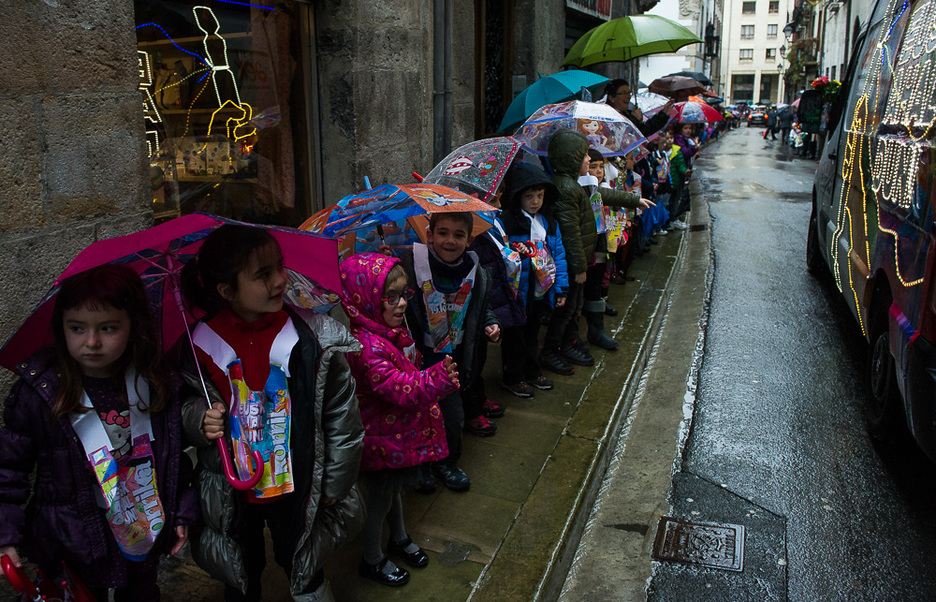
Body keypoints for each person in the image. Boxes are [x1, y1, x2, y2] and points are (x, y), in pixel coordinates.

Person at [178, 225, 364, 602]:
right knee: (241, 568)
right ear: (226, 291)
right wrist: (199, 418)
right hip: (232, 490)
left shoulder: (311, 339)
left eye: (279, 267)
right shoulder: (199, 345)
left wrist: (334, 481)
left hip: (298, 482)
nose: (281, 280)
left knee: (301, 557)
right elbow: (179, 406)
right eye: (263, 275)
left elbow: (342, 413)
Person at [0, 264, 196, 602]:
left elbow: (171, 457)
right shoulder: (42, 392)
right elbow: (7, 470)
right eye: (77, 328)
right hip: (71, 539)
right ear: (62, 328)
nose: (91, 342)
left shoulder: (154, 383)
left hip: (140, 530)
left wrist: (180, 510)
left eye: (107, 328)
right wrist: (5, 536)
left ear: (134, 326)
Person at [338, 252, 457, 587]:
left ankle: (400, 537)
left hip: (395, 436)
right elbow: (399, 387)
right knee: (381, 498)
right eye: (390, 297)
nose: (402, 304)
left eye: (405, 294)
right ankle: (372, 558)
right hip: (380, 439)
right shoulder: (366, 346)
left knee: (395, 491)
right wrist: (437, 379)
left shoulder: (387, 333)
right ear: (365, 300)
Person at [401, 212, 501, 492]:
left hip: (451, 361)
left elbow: (482, 306)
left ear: (469, 240)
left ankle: (447, 461)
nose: (450, 241)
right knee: (418, 416)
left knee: (451, 416)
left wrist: (491, 323)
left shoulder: (476, 271)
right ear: (429, 235)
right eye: (442, 233)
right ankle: (421, 465)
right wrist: (390, 270)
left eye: (458, 235)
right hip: (419, 359)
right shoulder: (409, 265)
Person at [543, 130, 650, 373]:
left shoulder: (575, 184)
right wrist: (580, 268)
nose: (589, 160)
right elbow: (571, 235)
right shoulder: (566, 189)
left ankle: (569, 343)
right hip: (573, 265)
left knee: (574, 308)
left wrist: (635, 201)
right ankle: (551, 350)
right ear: (571, 160)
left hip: (583, 259)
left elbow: (602, 195)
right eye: (583, 156)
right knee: (567, 310)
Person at [499, 164, 568, 394]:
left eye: (540, 195)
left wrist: (561, 289)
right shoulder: (507, 221)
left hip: (540, 289)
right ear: (518, 196)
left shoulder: (548, 221)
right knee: (515, 334)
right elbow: (502, 254)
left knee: (533, 330)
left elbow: (558, 254)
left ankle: (532, 369)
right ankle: (513, 375)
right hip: (518, 289)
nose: (535, 201)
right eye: (529, 196)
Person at [603, 79, 674, 138]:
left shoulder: (627, 113)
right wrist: (634, 118)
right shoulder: (606, 116)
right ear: (611, 97)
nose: (628, 96)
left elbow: (644, 131)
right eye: (624, 93)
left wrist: (663, 114)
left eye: (629, 93)